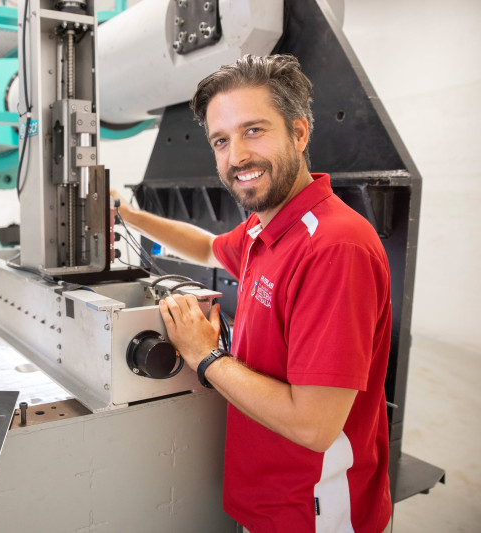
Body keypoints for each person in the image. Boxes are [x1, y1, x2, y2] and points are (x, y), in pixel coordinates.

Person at [113, 54, 392, 532]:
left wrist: (205, 355)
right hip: (269, 501)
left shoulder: (334, 247)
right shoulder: (268, 230)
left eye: (254, 131)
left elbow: (313, 425)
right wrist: (129, 215)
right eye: (222, 140)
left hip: (318, 513)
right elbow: (203, 245)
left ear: (300, 134)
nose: (236, 156)